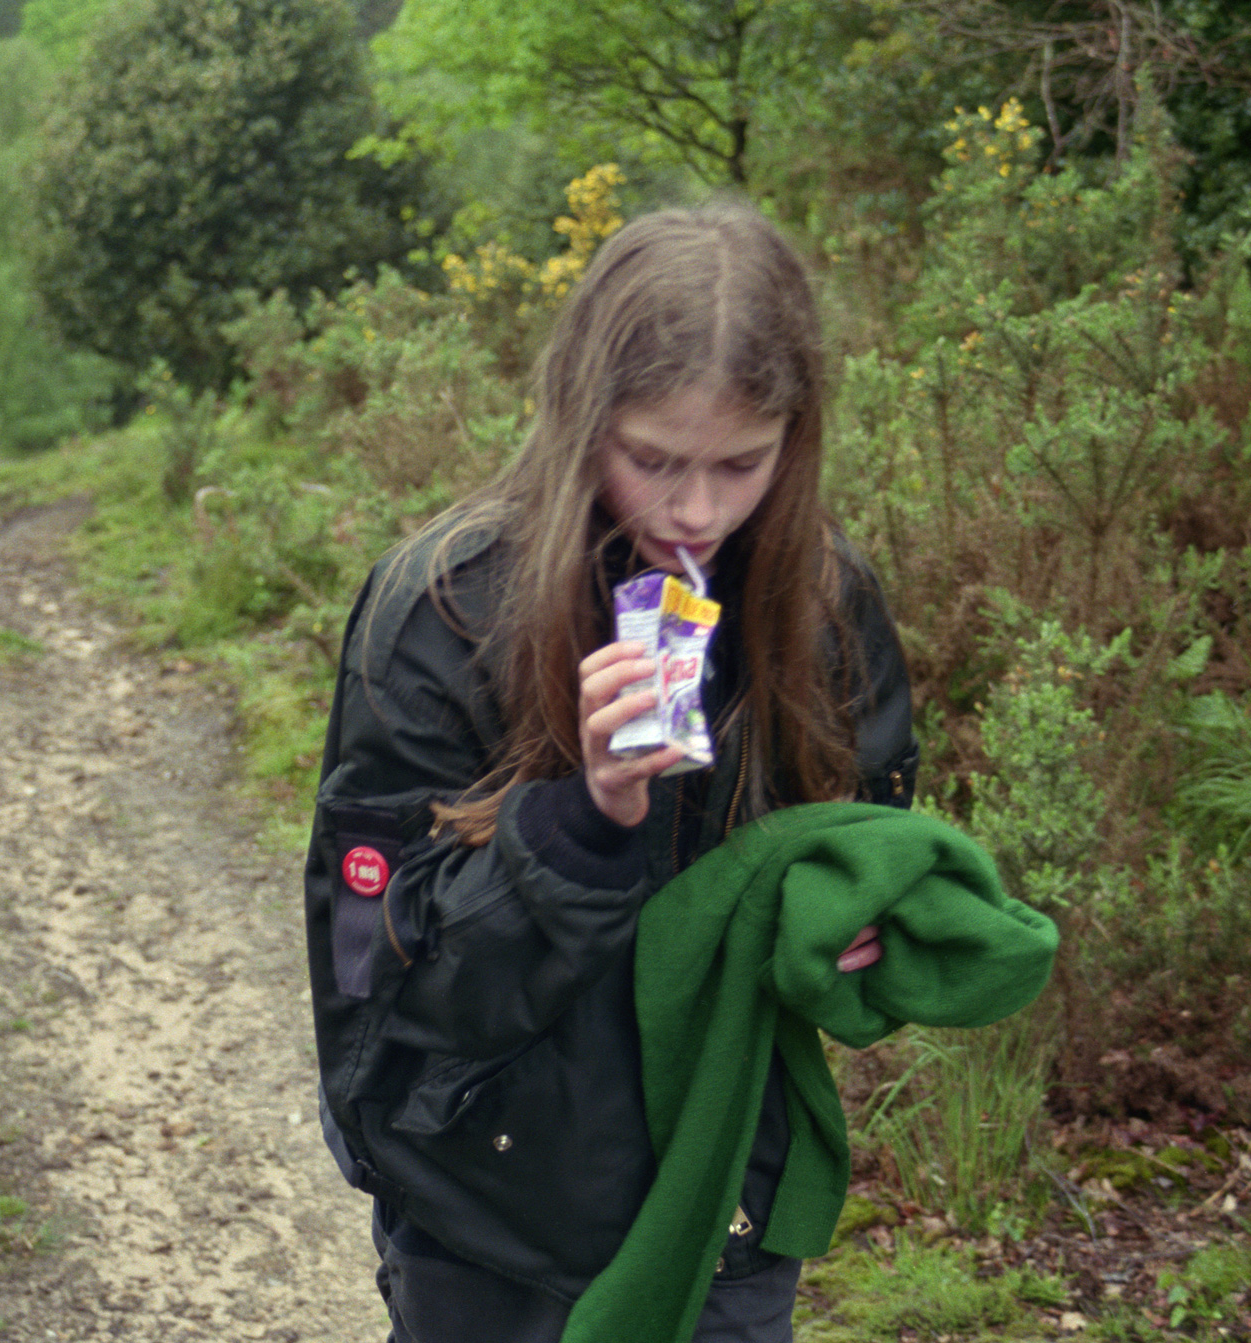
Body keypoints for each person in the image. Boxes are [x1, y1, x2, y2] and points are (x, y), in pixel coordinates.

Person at [303, 201, 918, 1343]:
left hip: (721, 1198)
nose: (694, 511)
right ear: (581, 418)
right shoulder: (442, 609)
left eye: (741, 463)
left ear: (797, 436)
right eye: (651, 459)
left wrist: (845, 933)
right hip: (489, 1217)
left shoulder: (824, 601)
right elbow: (374, 981)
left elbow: (869, 843)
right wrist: (582, 820)